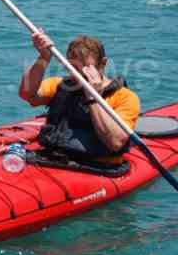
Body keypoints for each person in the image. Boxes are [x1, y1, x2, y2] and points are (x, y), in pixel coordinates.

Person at [18, 32, 140, 163]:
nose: (80, 75)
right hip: (57, 161)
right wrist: (44, 57)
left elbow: (115, 143)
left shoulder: (126, 97)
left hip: (99, 167)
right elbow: (27, 94)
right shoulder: (60, 85)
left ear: (103, 63)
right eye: (74, 68)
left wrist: (92, 96)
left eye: (87, 69)